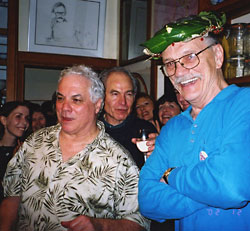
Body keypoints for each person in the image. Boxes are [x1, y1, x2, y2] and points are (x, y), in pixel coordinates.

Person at [0, 65, 150, 231]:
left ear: (97, 105)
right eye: (60, 98)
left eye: (76, 100)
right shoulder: (35, 142)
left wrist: (100, 225)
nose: (65, 108)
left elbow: (139, 223)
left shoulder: (118, 161)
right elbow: (12, 195)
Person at [138, 11, 250, 231]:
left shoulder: (244, 104)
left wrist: (171, 175)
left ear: (217, 56)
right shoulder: (172, 128)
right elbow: (147, 200)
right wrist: (211, 189)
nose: (180, 71)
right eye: (170, 64)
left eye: (190, 57)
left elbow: (230, 186)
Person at [99, 67, 158, 169]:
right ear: (101, 96)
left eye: (128, 94)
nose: (123, 102)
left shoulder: (144, 130)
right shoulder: (89, 129)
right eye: (115, 94)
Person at [0, 101, 30, 203]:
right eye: (18, 116)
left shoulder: (28, 149)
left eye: (27, 118)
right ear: (4, 120)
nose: (24, 122)